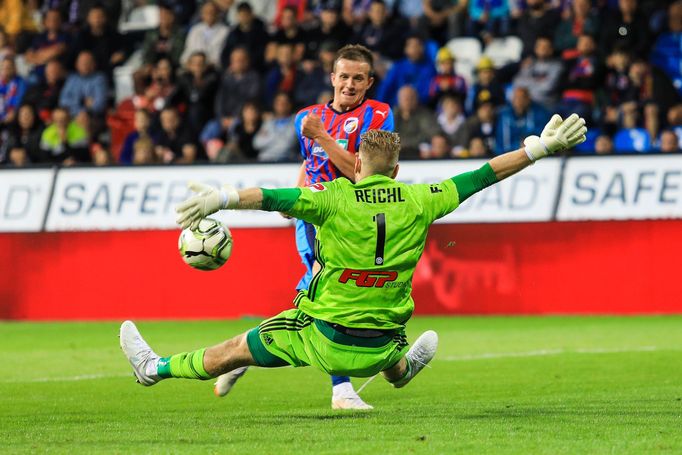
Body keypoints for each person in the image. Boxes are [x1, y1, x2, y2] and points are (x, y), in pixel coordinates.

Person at [121, 116, 588, 407]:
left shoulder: (333, 198)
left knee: (236, 350)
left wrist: (220, 198)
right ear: (397, 170)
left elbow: (269, 197)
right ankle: (401, 369)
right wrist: (539, 150)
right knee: (386, 311)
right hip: (384, 340)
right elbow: (483, 174)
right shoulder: (422, 198)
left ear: (357, 165)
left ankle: (154, 369)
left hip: (324, 340)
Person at [213, 43, 394, 411]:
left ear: (369, 82)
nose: (349, 84)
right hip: (318, 218)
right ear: (332, 78)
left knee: (325, 298)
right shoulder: (306, 117)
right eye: (343, 76)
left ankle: (242, 353)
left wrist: (323, 137)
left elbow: (360, 172)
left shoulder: (378, 116)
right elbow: (309, 161)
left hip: (353, 215)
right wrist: (295, 197)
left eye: (358, 78)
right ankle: (342, 388)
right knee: (322, 295)